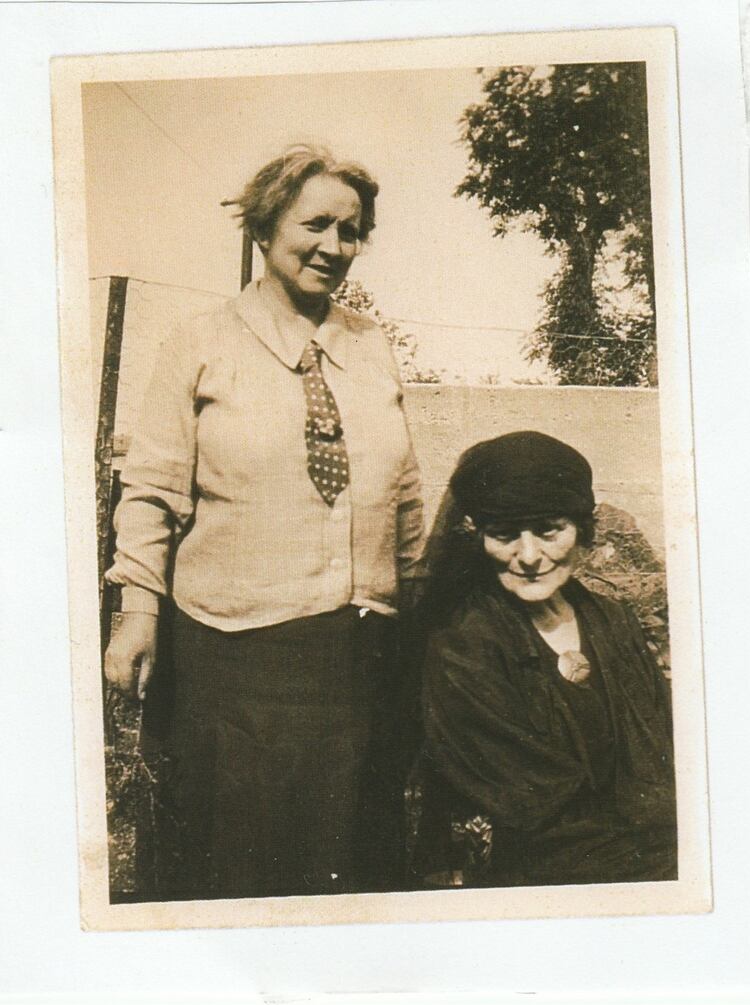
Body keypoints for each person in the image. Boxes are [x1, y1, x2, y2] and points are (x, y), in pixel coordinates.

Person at [103, 144, 425, 900]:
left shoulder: (370, 345)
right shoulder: (199, 342)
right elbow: (151, 490)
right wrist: (136, 613)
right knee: (235, 867)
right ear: (264, 227)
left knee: (349, 862)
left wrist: (417, 603)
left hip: (358, 656)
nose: (334, 247)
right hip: (235, 655)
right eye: (315, 225)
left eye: (351, 231)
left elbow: (404, 490)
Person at [413, 431, 677, 888]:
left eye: (549, 530)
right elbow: (529, 800)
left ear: (582, 531)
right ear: (479, 538)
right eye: (504, 535)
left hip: (648, 848)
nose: (530, 556)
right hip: (544, 868)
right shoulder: (463, 644)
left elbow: (663, 749)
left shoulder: (612, 620)